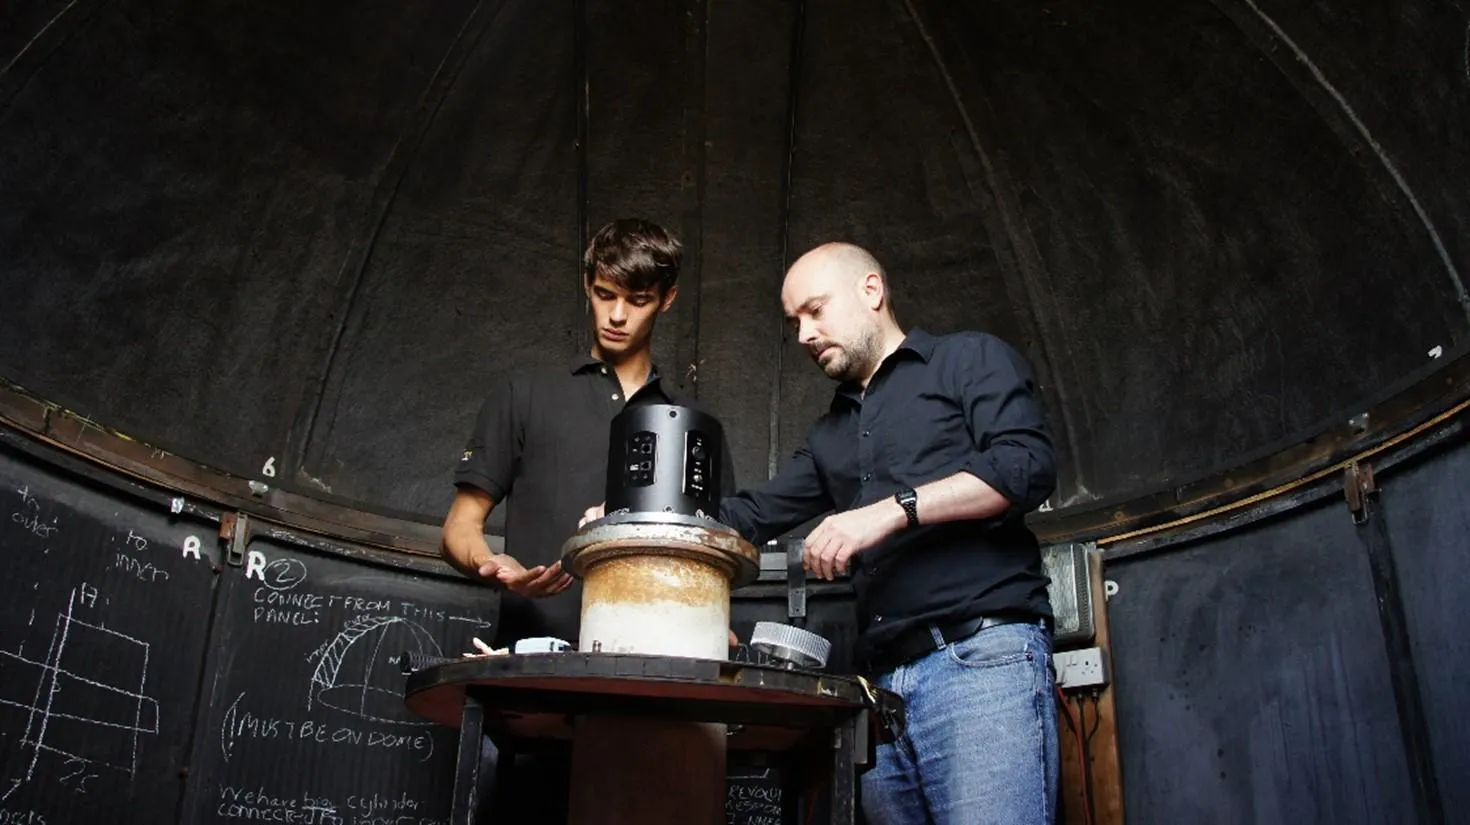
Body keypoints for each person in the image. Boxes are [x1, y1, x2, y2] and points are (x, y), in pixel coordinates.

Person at [588, 241, 1059, 824]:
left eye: (816, 311)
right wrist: (635, 512)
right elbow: (750, 513)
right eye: (794, 323)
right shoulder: (831, 434)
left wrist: (890, 510)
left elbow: (1026, 466)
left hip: (980, 662)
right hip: (882, 692)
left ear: (871, 291)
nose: (805, 334)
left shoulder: (968, 360)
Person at [441, 217, 733, 823]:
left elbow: (715, 555)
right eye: (604, 295)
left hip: (653, 689)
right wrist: (493, 565)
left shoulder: (692, 423)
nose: (617, 316)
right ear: (586, 284)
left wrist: (718, 624)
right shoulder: (524, 395)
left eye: (637, 300)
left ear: (668, 298)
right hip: (532, 682)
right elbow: (459, 528)